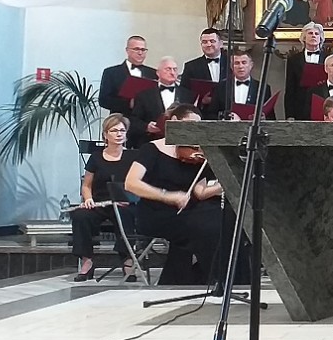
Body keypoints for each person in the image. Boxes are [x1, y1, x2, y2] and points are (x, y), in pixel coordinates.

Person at [125, 104, 244, 286]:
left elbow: (199, 193)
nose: (194, 130)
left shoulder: (193, 154)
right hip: (156, 213)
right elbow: (131, 183)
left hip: (187, 212)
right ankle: (215, 279)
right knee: (208, 226)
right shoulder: (151, 149)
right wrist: (167, 196)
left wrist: (223, 186)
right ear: (174, 121)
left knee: (228, 218)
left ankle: (231, 279)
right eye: (190, 124)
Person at [70, 114, 138, 282]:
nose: (119, 134)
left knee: (127, 215)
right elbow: (86, 185)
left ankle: (127, 260)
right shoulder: (96, 157)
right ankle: (87, 261)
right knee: (80, 216)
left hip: (124, 203)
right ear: (105, 135)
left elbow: (139, 183)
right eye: (114, 130)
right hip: (100, 203)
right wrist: (88, 199)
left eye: (122, 130)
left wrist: (130, 198)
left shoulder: (133, 157)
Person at [129, 57, 194, 147]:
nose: (172, 72)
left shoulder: (187, 94)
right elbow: (134, 120)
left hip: (180, 142)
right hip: (151, 142)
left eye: (175, 69)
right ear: (158, 73)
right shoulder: (144, 95)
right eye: (168, 69)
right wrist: (147, 127)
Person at [99, 36, 156, 115]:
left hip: (146, 121)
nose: (140, 53)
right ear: (127, 50)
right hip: (121, 119)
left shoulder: (153, 73)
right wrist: (128, 103)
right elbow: (103, 100)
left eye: (143, 50)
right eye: (136, 49)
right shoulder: (111, 72)